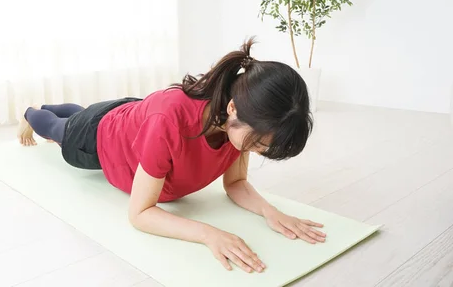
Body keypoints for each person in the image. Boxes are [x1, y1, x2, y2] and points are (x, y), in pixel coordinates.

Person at [17, 38, 325, 274]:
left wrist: (271, 212)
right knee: (58, 129)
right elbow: (139, 213)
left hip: (131, 116)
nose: (258, 150)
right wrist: (208, 234)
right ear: (233, 109)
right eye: (259, 143)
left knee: (80, 114)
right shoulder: (170, 123)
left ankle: (64, 111)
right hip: (99, 139)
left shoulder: (240, 119)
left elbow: (236, 183)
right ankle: (30, 112)